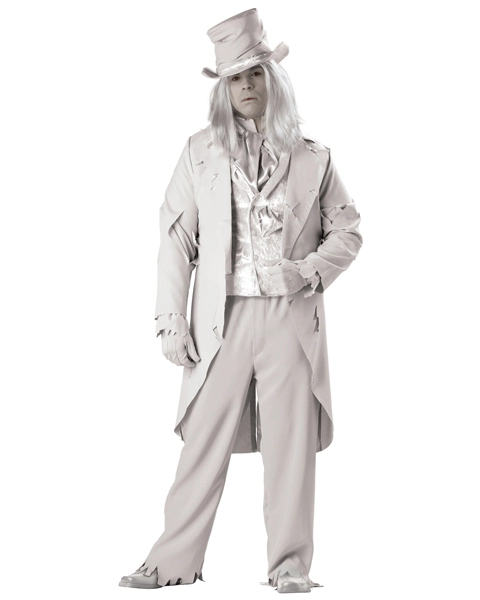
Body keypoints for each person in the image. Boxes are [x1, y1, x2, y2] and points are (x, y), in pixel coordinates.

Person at [119, 8, 363, 594]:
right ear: (223, 88)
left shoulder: (314, 156)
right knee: (202, 444)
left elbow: (348, 231)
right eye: (236, 77)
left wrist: (306, 270)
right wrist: (170, 318)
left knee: (291, 448)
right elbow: (176, 238)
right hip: (219, 321)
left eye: (256, 73)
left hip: (290, 320)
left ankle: (291, 568)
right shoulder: (198, 152)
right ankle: (170, 562)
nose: (248, 86)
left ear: (273, 79)